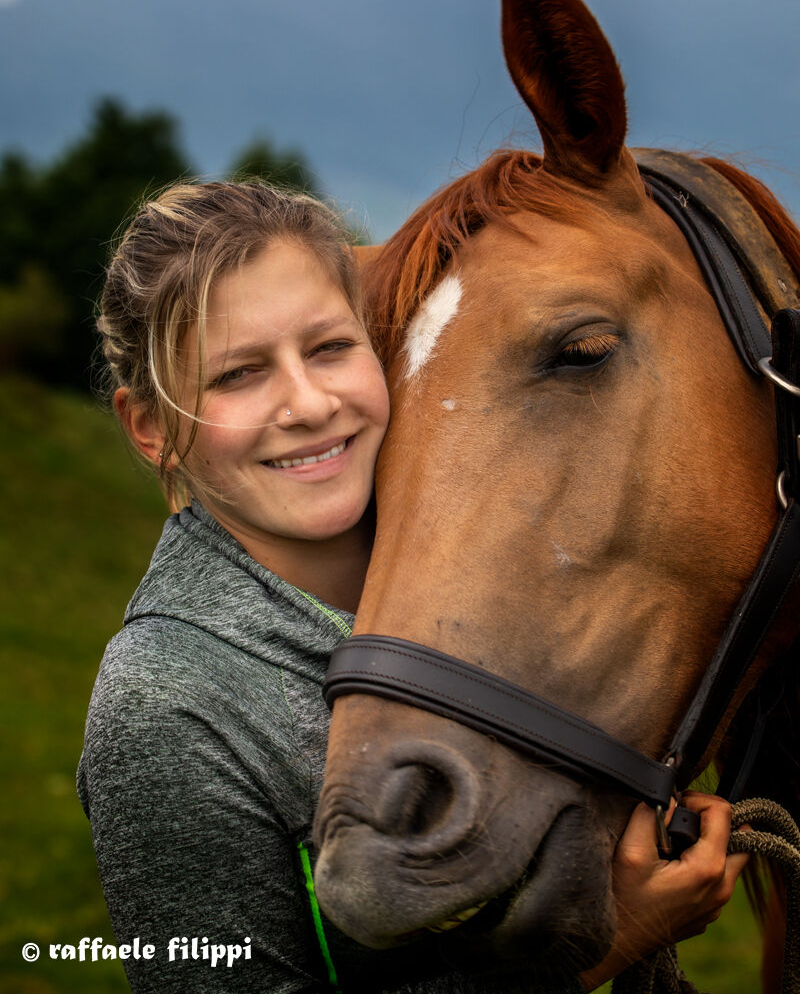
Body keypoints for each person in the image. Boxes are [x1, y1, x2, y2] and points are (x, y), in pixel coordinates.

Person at [78, 180, 747, 994]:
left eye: (329, 348)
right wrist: (603, 946)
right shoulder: (163, 707)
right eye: (239, 375)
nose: (309, 403)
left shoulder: (474, 565)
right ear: (150, 429)